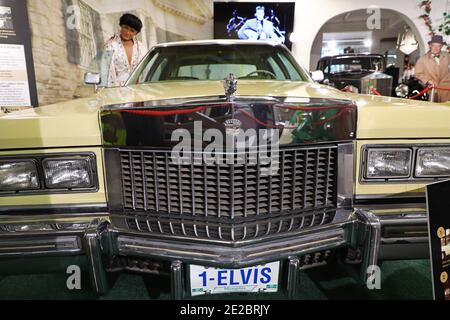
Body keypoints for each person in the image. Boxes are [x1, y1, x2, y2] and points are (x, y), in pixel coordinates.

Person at [104, 13, 148, 87]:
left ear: (136, 33)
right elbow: (106, 72)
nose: (128, 32)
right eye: (126, 27)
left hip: (137, 90)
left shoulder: (141, 48)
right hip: (116, 90)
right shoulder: (110, 45)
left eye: (132, 30)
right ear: (121, 26)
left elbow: (145, 71)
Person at [415, 35, 450, 102]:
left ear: (441, 46)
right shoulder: (422, 59)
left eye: (438, 46)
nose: (436, 48)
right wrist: (427, 80)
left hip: (447, 90)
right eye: (434, 45)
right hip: (432, 90)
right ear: (430, 46)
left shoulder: (447, 55)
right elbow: (418, 74)